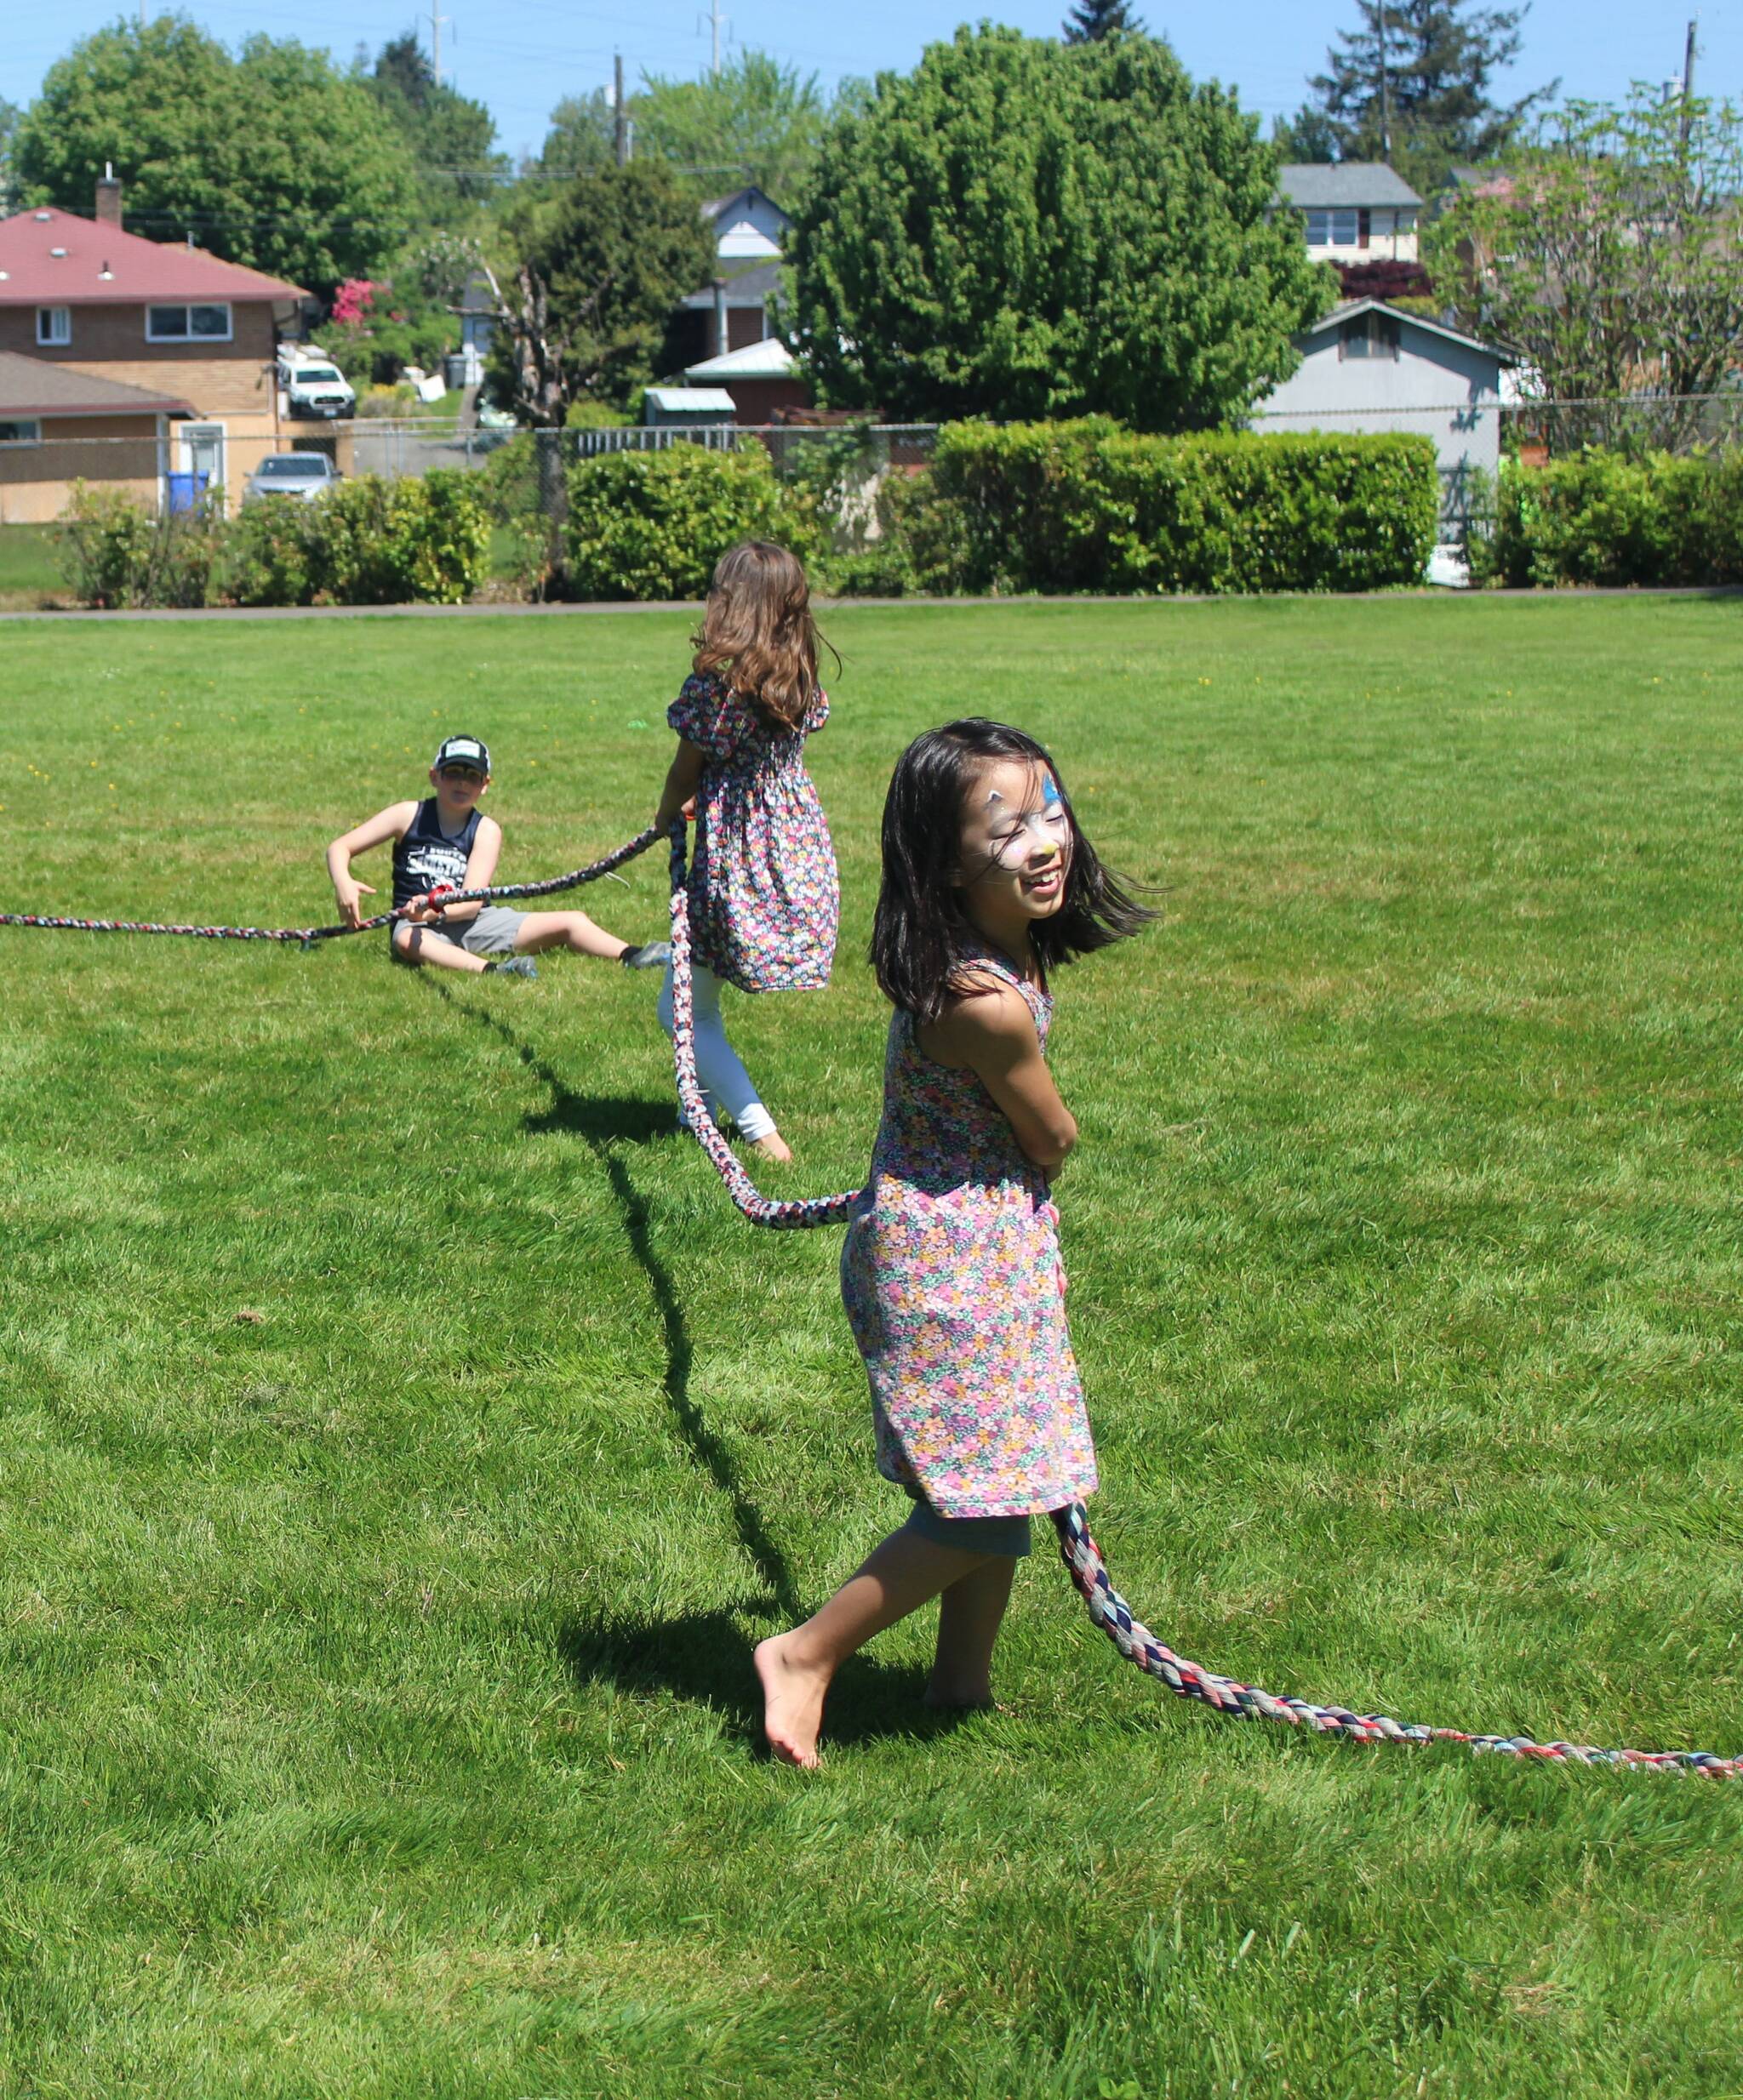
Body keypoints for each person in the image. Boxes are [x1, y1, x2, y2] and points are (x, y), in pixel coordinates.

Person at [754, 719, 1152, 1767]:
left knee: (998, 1481)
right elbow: (1050, 1134)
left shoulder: (983, 960)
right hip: (946, 1263)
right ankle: (801, 1654)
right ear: (941, 862)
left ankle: (959, 1684)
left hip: (976, 1247)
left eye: (1049, 810)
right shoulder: (985, 1003)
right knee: (977, 1503)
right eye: (1006, 826)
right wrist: (1047, 1153)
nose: (1043, 840)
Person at [652, 541, 839, 1161]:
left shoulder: (719, 686)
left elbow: (687, 768)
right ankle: (695, 1111)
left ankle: (761, 1133)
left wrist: (665, 814)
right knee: (699, 994)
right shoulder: (798, 672)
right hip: (791, 842)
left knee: (679, 1008)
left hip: (737, 852)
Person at [327, 733, 669, 979]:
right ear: (435, 777)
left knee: (572, 920)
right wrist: (344, 882)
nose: (462, 783)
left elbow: (472, 903)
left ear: (485, 784)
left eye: (472, 776)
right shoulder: (407, 815)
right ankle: (495, 970)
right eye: (453, 773)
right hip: (417, 925)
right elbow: (339, 848)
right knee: (405, 940)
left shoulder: (486, 830)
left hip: (473, 920)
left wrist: (432, 909)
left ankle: (633, 954)